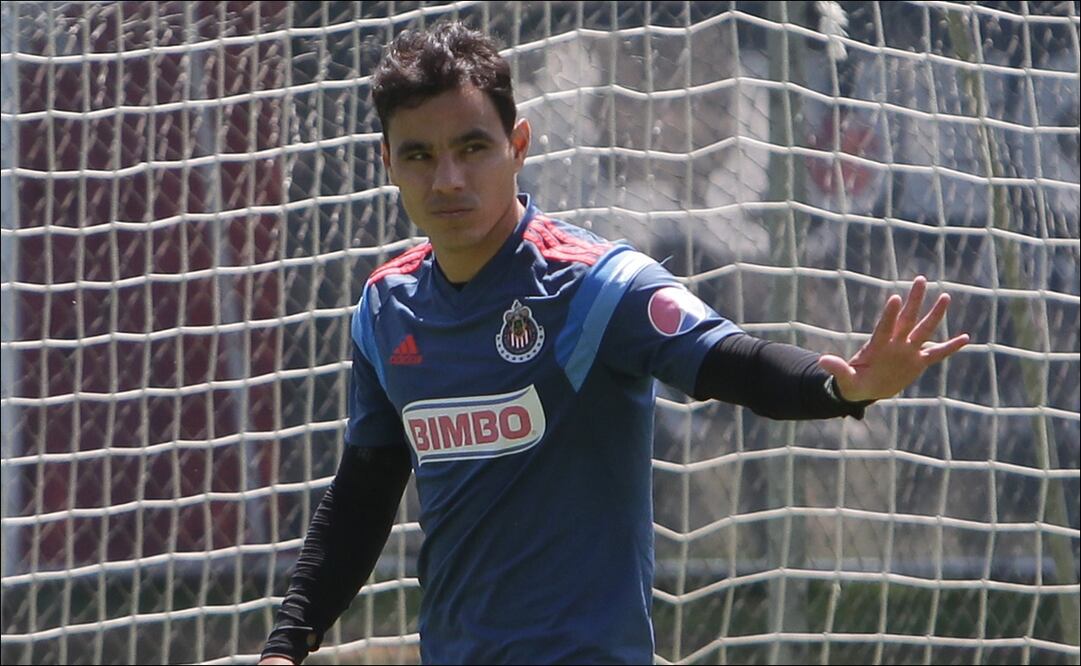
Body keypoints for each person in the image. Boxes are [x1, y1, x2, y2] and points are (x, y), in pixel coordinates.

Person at [259, 21, 969, 666]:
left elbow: (730, 361)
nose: (447, 179)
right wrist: (287, 642)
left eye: (472, 147)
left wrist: (839, 387)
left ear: (518, 146)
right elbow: (365, 489)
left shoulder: (596, 286)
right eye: (419, 155)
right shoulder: (387, 307)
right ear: (388, 162)